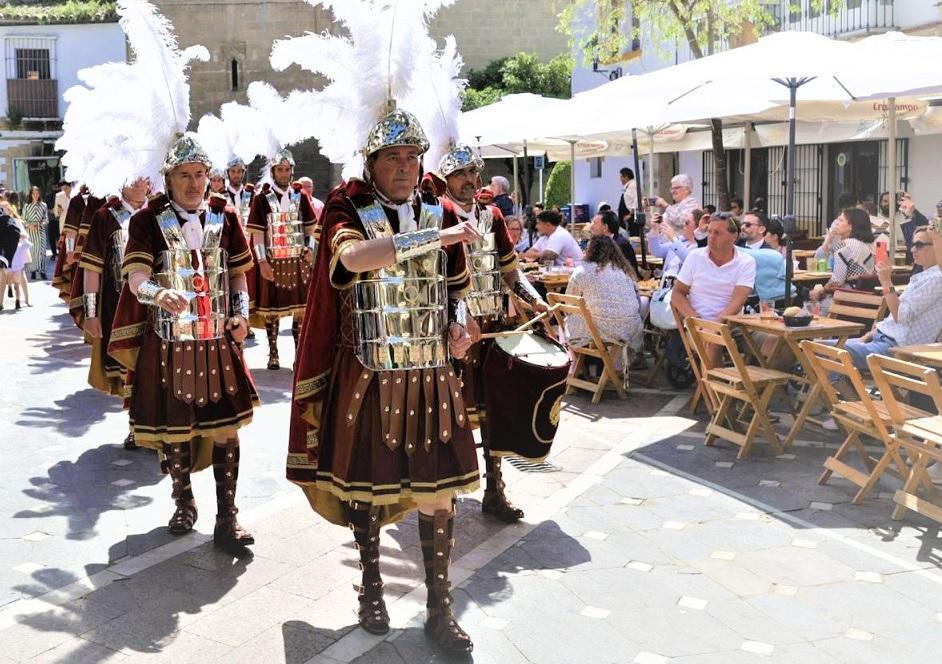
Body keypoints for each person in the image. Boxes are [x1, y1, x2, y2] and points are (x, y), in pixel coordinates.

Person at [287, 109, 480, 652]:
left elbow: (458, 292)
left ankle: (440, 609)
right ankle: (371, 585)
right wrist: (431, 238)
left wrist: (461, 326)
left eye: (412, 156)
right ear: (371, 163)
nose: (404, 166)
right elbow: (352, 259)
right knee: (369, 489)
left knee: (440, 495)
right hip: (371, 371)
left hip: (433, 371)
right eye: (393, 157)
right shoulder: (348, 207)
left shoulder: (437, 208)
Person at [109, 137, 257, 549]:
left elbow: (239, 274)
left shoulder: (224, 213)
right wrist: (157, 294)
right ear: (168, 179)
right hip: (169, 341)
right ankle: (184, 501)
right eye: (183, 176)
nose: (194, 184)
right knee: (176, 430)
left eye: (199, 174)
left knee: (228, 429)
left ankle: (228, 519)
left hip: (218, 340)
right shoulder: (146, 220)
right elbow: (135, 277)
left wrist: (242, 314)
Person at [438, 143, 549, 524]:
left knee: (492, 411)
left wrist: (535, 301)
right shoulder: (438, 215)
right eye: (460, 174)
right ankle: (446, 491)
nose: (469, 180)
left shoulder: (494, 216)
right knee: (450, 414)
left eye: (473, 173)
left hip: (492, 329)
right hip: (452, 332)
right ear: (446, 180)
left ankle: (494, 489)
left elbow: (510, 271)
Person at [69, 180, 148, 449]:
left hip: (156, 306)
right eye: (138, 176)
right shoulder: (105, 216)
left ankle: (158, 428)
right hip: (117, 307)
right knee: (129, 367)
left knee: (155, 366)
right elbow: (92, 267)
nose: (144, 182)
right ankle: (136, 426)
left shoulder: (161, 211)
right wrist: (91, 314)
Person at [246, 149, 318, 370]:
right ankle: (273, 352)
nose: (284, 174)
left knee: (301, 311)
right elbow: (257, 234)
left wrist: (309, 248)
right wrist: (261, 262)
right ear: (273, 171)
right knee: (272, 312)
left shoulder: (301, 196)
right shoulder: (261, 199)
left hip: (298, 261)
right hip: (273, 260)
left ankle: (299, 354)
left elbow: (311, 228)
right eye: (280, 169)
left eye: (287, 169)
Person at [565, 235, 643, 354]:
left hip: (602, 329)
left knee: (569, 320)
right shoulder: (624, 270)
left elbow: (569, 303)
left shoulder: (582, 270)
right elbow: (637, 301)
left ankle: (573, 365)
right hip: (631, 327)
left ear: (589, 250)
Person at [671, 214, 757, 323]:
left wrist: (714, 328)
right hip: (696, 327)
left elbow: (737, 302)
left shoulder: (746, 262)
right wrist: (697, 322)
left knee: (773, 338)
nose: (711, 237)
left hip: (729, 326)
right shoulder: (695, 256)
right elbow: (677, 293)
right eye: (709, 231)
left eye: (718, 233)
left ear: (734, 236)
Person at [810, 207, 875, 309]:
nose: (836, 223)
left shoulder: (844, 247)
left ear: (851, 226)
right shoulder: (869, 245)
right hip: (867, 299)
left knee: (810, 305)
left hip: (846, 299)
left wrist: (821, 290)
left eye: (841, 220)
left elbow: (837, 283)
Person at [647, 207, 700, 277]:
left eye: (687, 222)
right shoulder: (681, 240)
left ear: (697, 226)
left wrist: (673, 238)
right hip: (665, 283)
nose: (684, 224)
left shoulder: (700, 246)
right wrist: (655, 229)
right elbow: (656, 251)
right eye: (684, 221)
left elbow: (689, 260)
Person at [589, 209, 639, 278]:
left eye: (594, 223)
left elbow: (627, 273)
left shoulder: (620, 245)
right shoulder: (599, 244)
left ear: (605, 227)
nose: (591, 227)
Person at [22, 186, 48, 280]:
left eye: (37, 193)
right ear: (31, 194)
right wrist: (29, 225)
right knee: (32, 251)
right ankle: (32, 271)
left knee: (42, 251)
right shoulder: (26, 206)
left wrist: (41, 223)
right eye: (34, 193)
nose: (36, 195)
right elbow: (23, 220)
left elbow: (46, 219)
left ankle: (42, 271)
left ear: (39, 194)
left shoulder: (44, 205)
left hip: (40, 231)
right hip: (30, 231)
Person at [224, 156, 254, 228]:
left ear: (243, 173)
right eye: (233, 171)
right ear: (228, 173)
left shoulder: (252, 195)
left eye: (239, 171)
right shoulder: (221, 196)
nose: (236, 175)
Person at [617, 167, 639, 235]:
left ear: (626, 176)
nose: (620, 179)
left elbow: (637, 200)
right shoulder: (628, 186)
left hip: (631, 219)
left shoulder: (633, 185)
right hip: (626, 219)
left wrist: (630, 215)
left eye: (621, 176)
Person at [45, 183, 59, 260]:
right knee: (52, 238)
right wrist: (52, 211)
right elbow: (47, 207)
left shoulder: (61, 195)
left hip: (57, 219)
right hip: (52, 219)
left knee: (57, 237)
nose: (56, 187)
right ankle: (54, 253)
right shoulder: (49, 195)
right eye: (55, 185)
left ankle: (57, 253)